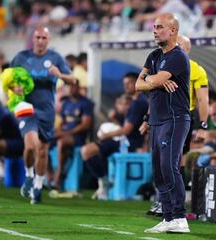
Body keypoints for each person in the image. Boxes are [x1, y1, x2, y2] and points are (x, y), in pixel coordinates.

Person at [135, 13, 191, 233]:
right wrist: (157, 81)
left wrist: (154, 80)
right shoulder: (154, 55)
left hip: (175, 118)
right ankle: (168, 218)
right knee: (159, 170)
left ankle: (180, 217)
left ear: (173, 30)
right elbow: (138, 85)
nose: (155, 31)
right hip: (157, 121)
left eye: (159, 27)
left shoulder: (178, 56)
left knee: (170, 166)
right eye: (154, 27)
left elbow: (149, 80)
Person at [10, 26, 77, 204]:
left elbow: (73, 80)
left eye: (44, 38)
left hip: (47, 110)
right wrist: (13, 88)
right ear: (33, 39)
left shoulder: (56, 58)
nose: (41, 41)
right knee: (31, 146)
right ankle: (29, 175)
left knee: (43, 150)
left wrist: (60, 74)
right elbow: (8, 79)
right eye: (38, 37)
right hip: (26, 107)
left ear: (49, 40)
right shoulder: (21, 57)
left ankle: (38, 187)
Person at [80, 72, 148, 200]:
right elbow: (129, 126)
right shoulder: (137, 100)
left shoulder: (138, 102)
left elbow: (127, 130)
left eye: (129, 83)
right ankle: (104, 182)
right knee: (90, 151)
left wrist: (107, 135)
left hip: (129, 143)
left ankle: (104, 183)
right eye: (124, 84)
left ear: (137, 82)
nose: (126, 86)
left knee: (87, 151)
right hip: (126, 140)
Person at [53, 82, 94, 189]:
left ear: (78, 88)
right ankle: (49, 176)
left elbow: (86, 125)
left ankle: (59, 173)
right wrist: (58, 129)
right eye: (69, 87)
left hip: (78, 136)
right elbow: (63, 122)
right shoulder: (66, 103)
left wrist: (67, 133)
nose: (71, 89)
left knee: (61, 142)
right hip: (65, 133)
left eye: (73, 87)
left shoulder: (86, 103)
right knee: (43, 141)